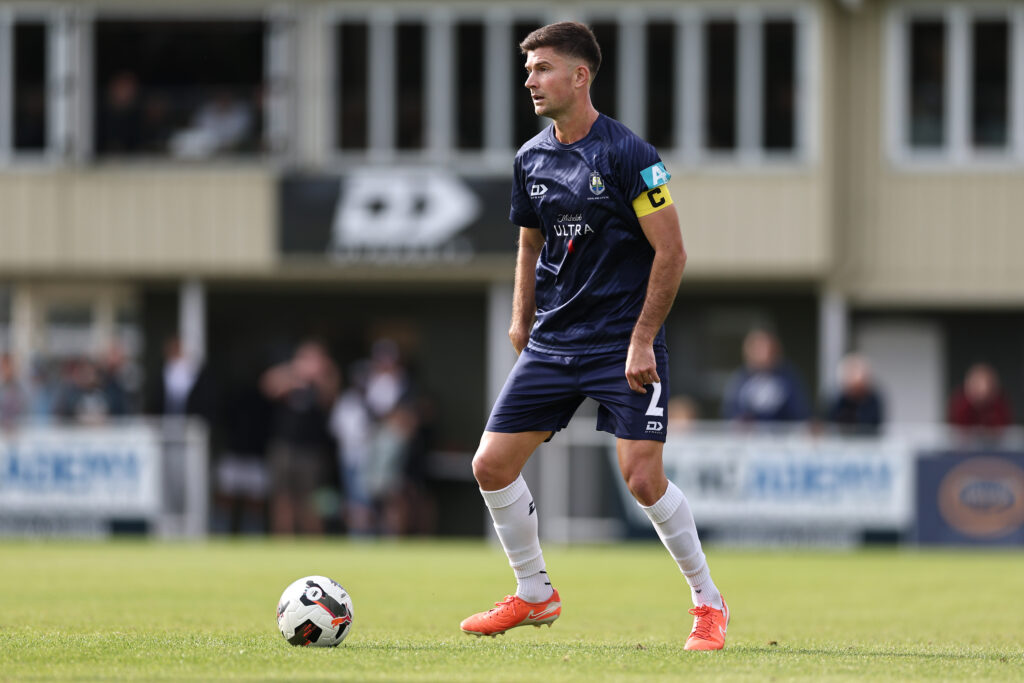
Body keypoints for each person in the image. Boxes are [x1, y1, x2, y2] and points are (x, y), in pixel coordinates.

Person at [458, 22, 727, 650]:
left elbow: (673, 253)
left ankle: (708, 604)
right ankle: (533, 594)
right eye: (528, 70)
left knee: (641, 478)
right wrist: (522, 314)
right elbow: (528, 240)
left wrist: (641, 340)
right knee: (490, 466)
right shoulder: (530, 157)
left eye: (543, 68)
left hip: (621, 341)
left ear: (581, 76)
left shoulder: (631, 154)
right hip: (553, 340)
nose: (530, 80)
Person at [721, 328, 810, 424]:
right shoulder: (740, 379)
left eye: (769, 349)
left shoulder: (788, 377)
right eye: (759, 349)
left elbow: (800, 411)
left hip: (782, 437)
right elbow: (730, 411)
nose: (765, 353)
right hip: (749, 438)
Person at [824, 353, 884, 435]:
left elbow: (873, 426)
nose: (854, 392)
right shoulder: (837, 401)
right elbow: (829, 424)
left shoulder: (873, 400)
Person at [948, 363, 1013, 430]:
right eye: (977, 384)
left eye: (985, 384)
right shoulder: (960, 403)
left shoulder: (999, 405)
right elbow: (958, 430)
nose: (982, 389)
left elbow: (1001, 429)